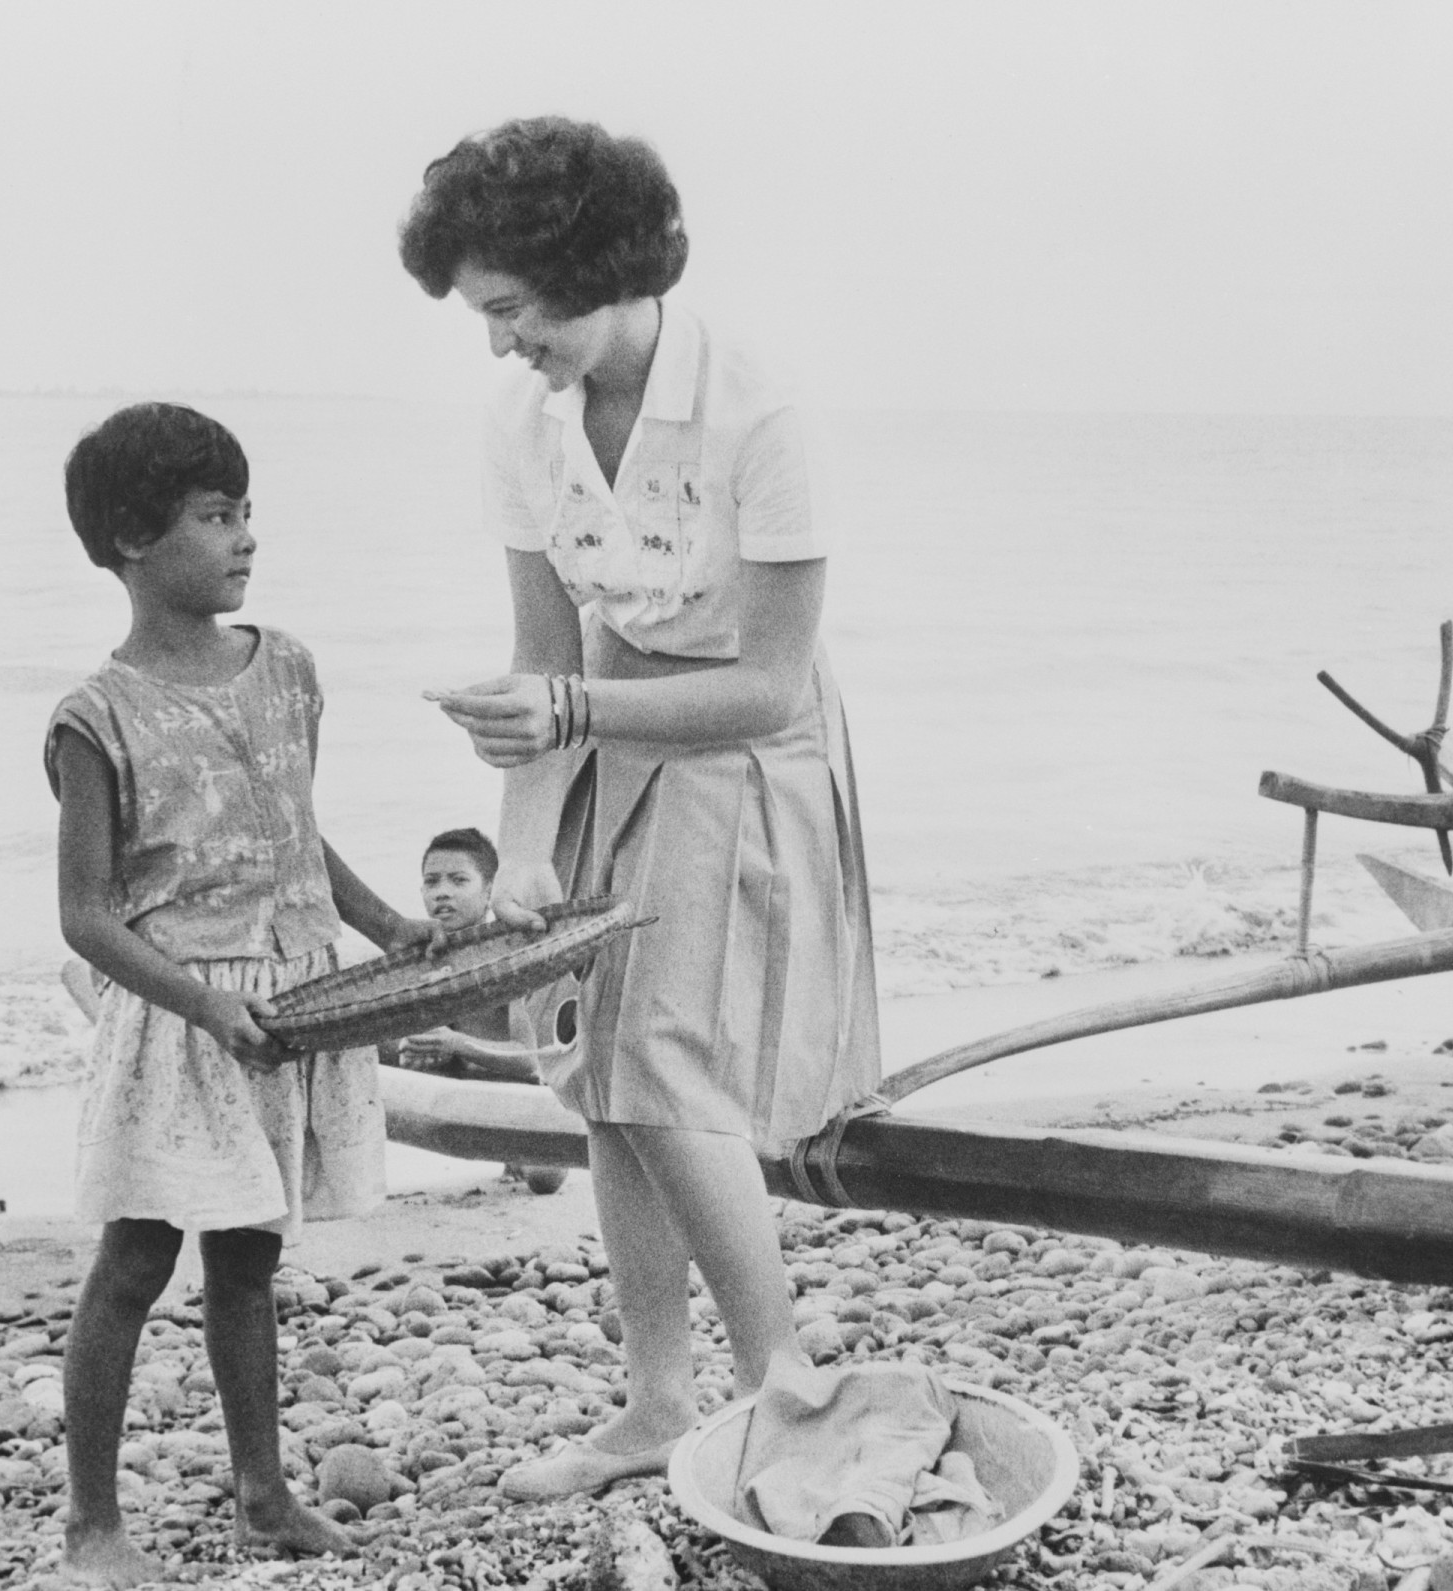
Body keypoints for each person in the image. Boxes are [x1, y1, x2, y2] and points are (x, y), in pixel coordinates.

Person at [399, 116, 881, 1501]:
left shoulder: (757, 408)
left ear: (593, 265)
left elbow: (769, 685)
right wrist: (531, 852)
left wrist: (571, 718)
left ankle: (784, 1388)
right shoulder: (524, 420)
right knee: (609, 1081)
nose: (499, 342)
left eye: (509, 308)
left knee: (661, 1058)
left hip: (749, 745)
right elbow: (547, 657)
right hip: (609, 727)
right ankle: (659, 1401)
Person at [46, 402, 436, 1586]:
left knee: (250, 1259)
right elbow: (88, 916)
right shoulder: (94, 717)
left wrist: (387, 928)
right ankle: (91, 1524)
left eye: (246, 512)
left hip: (294, 1003)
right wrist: (203, 1004)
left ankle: (263, 1493)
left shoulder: (291, 669)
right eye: (216, 516)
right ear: (128, 538)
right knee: (135, 1257)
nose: (245, 537)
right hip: (184, 1020)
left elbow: (298, 836)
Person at [392, 826, 572, 1195]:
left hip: (512, 1091)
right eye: (432, 882)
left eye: (459, 881)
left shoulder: (502, 957)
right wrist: (410, 1051)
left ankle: (516, 1153)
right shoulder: (418, 956)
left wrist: (456, 1044)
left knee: (544, 1180)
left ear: (490, 892)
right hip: (457, 1086)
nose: (442, 892)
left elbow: (527, 1061)